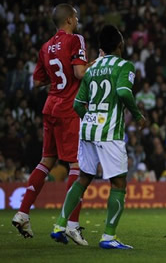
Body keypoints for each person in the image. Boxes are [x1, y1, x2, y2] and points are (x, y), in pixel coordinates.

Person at [50, 25, 145, 249]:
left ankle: (59, 225)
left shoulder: (91, 69)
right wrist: (138, 116)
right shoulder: (125, 66)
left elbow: (77, 105)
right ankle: (109, 237)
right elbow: (123, 92)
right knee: (119, 183)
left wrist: (92, 117)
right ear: (120, 44)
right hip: (110, 132)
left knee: (83, 178)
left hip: (88, 131)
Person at [12, 4, 92, 245]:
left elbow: (37, 81)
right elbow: (79, 73)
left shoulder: (46, 46)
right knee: (78, 165)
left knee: (46, 161)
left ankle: (23, 212)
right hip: (69, 109)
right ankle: (72, 224)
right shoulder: (75, 39)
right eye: (76, 17)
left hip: (50, 107)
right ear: (68, 20)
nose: (77, 21)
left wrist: (57, 76)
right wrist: (96, 64)